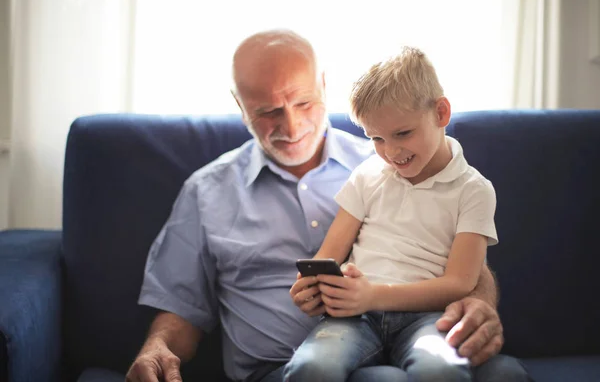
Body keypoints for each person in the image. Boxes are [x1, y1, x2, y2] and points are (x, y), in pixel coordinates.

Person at [125, 30, 529, 382]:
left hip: (414, 334)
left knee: (505, 374)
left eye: (303, 103)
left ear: (323, 84)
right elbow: (181, 308)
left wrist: (478, 300)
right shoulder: (207, 191)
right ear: (239, 104)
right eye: (267, 112)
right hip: (285, 366)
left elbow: (465, 264)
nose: (291, 125)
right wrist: (157, 348)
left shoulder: (390, 159)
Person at [284, 47, 521, 382]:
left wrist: (373, 295)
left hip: (426, 318)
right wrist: (312, 286)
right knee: (311, 368)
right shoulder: (367, 175)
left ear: (441, 112)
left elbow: (461, 282)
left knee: (440, 370)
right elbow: (328, 255)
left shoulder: (474, 189)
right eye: (377, 138)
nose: (391, 152)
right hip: (357, 317)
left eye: (403, 133)